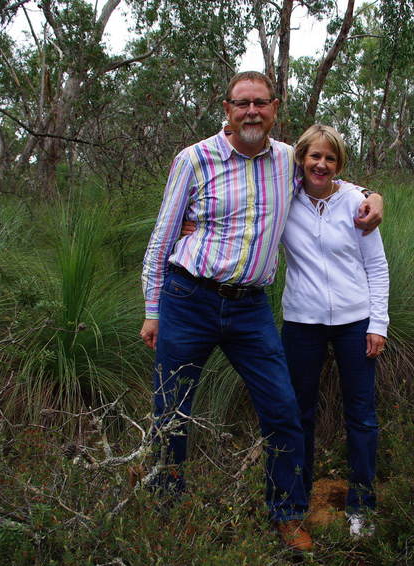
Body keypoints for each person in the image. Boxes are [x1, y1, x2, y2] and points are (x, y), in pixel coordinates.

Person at [139, 71, 383, 552]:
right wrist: (153, 310)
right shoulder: (193, 159)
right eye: (242, 103)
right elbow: (162, 238)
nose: (252, 112)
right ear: (226, 108)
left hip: (250, 309)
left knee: (284, 410)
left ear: (275, 108)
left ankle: (289, 515)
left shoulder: (285, 160)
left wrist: (375, 197)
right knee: (171, 411)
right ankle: (165, 508)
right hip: (189, 299)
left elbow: (328, 174)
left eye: (261, 103)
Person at [280, 125, 388, 538]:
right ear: (301, 160)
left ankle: (362, 505)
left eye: (329, 158)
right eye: (314, 157)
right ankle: (296, 499)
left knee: (360, 416)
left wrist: (377, 324)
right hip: (301, 323)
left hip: (354, 323)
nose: (320, 165)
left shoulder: (356, 204)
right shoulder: (285, 200)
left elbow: (376, 267)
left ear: (339, 165)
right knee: (297, 414)